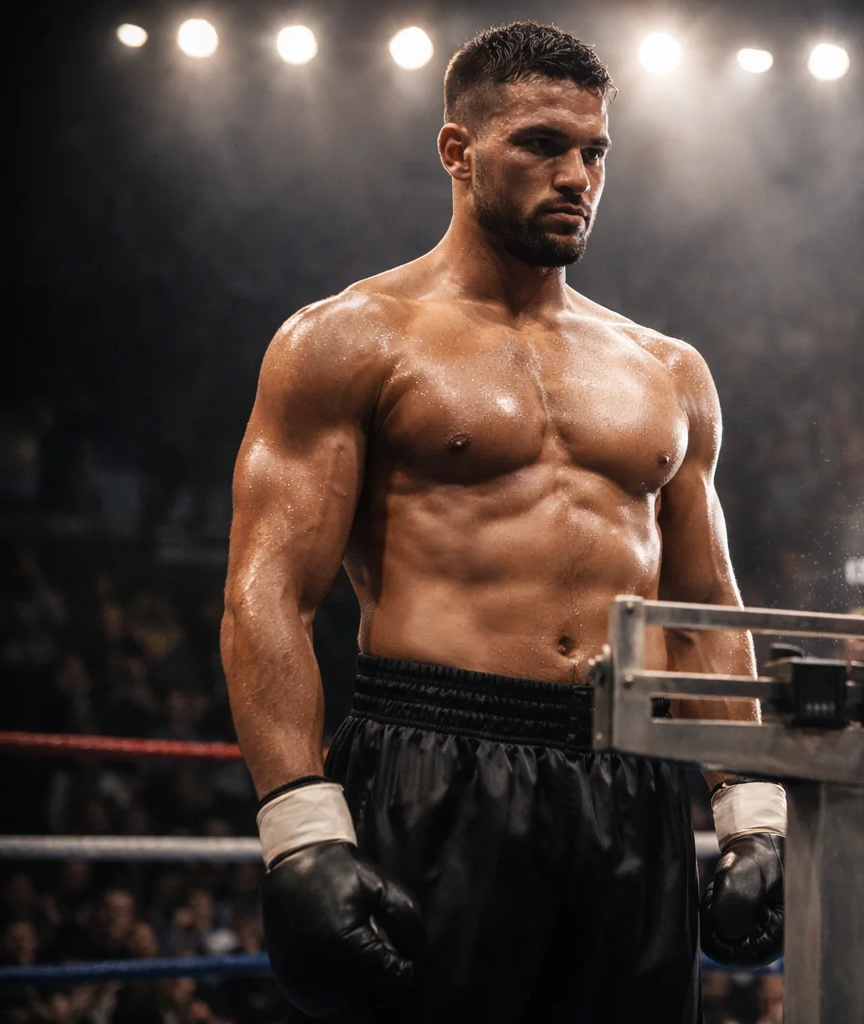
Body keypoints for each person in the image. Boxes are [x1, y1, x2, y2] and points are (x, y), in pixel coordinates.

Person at [221, 23, 784, 1023]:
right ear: (458, 149)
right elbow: (267, 593)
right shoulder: (350, 338)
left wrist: (751, 811)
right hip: (434, 762)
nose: (577, 176)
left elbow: (702, 603)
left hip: (628, 779)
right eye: (541, 144)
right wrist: (299, 827)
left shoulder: (668, 370)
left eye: (595, 152)